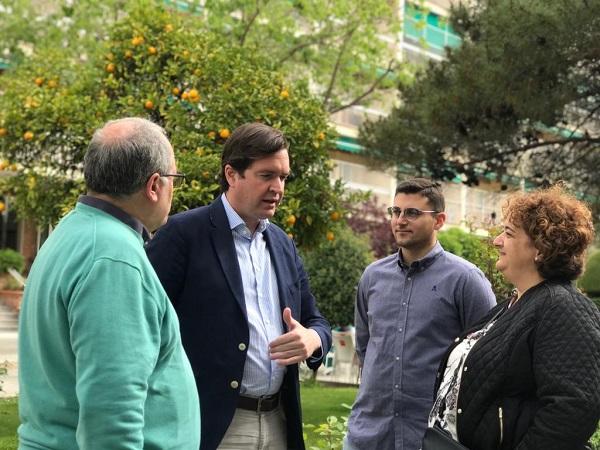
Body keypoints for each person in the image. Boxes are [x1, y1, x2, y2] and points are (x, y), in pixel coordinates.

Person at [146, 122, 332, 450]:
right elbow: (144, 325)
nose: (278, 187)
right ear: (232, 175)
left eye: (283, 177)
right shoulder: (183, 235)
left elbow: (316, 320)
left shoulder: (283, 244)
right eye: (267, 175)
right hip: (215, 425)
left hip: (279, 421)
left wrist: (311, 338)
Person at [18, 117, 200, 449]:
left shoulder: (75, 230)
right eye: (176, 178)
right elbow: (111, 413)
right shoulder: (113, 258)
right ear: (154, 185)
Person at [427, 184, 600, 450]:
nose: (496, 241)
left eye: (507, 233)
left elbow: (574, 407)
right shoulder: (514, 304)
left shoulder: (562, 307)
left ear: (540, 248)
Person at [345, 178, 496, 450]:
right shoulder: (373, 276)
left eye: (412, 213)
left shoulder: (466, 280)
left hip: (431, 438)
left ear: (439, 221)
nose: (400, 220)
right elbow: (366, 347)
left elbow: (486, 359)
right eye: (396, 211)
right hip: (367, 435)